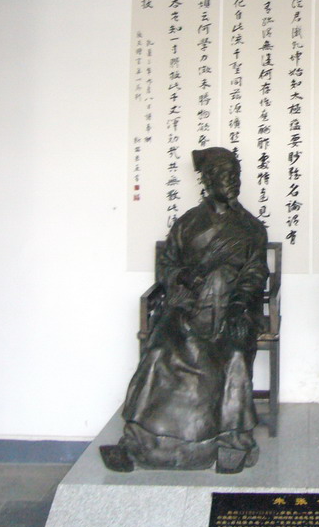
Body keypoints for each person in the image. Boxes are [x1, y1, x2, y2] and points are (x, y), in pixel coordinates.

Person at [101, 147, 268, 474]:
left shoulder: (251, 228)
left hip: (233, 310)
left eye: (235, 174)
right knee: (161, 349)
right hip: (189, 307)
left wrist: (237, 305)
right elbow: (167, 266)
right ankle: (139, 440)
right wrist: (182, 276)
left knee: (232, 353)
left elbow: (255, 274)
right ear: (206, 181)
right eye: (223, 175)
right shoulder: (188, 223)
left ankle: (229, 439)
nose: (232, 181)